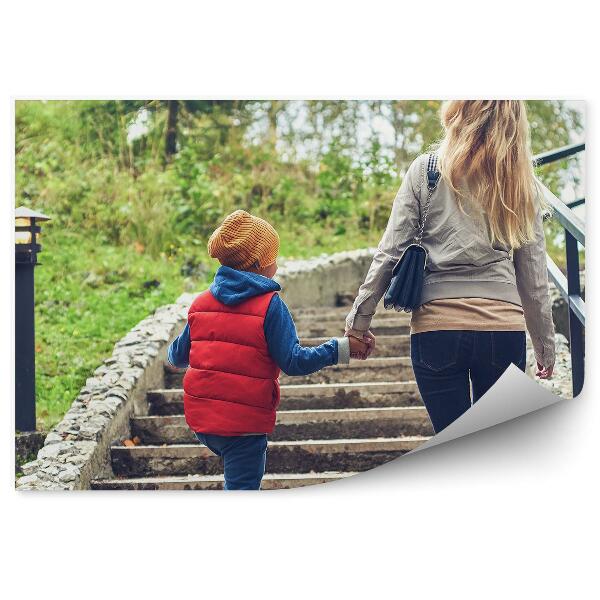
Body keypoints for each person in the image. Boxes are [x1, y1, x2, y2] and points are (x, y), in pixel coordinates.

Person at [345, 100, 555, 433]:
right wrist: (544, 342)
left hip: (437, 329)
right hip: (503, 331)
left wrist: (359, 322)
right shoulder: (519, 182)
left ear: (458, 111)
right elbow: (534, 275)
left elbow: (390, 252)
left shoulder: (426, 170)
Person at [168, 209, 368, 489]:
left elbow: (177, 356)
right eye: (274, 257)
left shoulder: (200, 304)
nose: (277, 263)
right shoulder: (269, 306)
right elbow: (294, 362)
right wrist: (340, 348)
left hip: (202, 420)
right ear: (261, 263)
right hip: (243, 424)